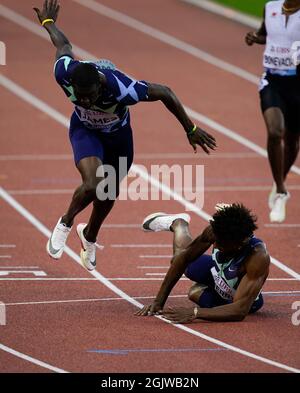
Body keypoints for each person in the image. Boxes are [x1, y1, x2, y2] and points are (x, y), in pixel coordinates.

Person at [33, 0, 216, 270]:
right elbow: (63, 46)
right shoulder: (64, 73)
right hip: (85, 131)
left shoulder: (122, 88)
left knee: (108, 192)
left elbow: (164, 91)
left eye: (90, 96)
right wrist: (49, 23)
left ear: (100, 85)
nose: (84, 101)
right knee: (94, 182)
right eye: (80, 97)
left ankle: (90, 236)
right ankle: (66, 222)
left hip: (118, 138)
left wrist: (190, 128)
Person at [135, 204, 270, 323]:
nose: (215, 245)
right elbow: (183, 259)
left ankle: (179, 225)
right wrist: (158, 302)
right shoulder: (215, 232)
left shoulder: (257, 257)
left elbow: (239, 310)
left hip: (240, 300)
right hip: (218, 276)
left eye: (221, 244)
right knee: (179, 260)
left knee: (194, 293)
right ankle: (179, 224)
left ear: (239, 244)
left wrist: (195, 313)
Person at [245, 0, 300, 223]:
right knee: (275, 131)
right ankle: (280, 190)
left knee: (292, 138)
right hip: (272, 81)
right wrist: (254, 38)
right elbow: (265, 34)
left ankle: (280, 180)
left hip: (297, 84)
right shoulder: (271, 7)